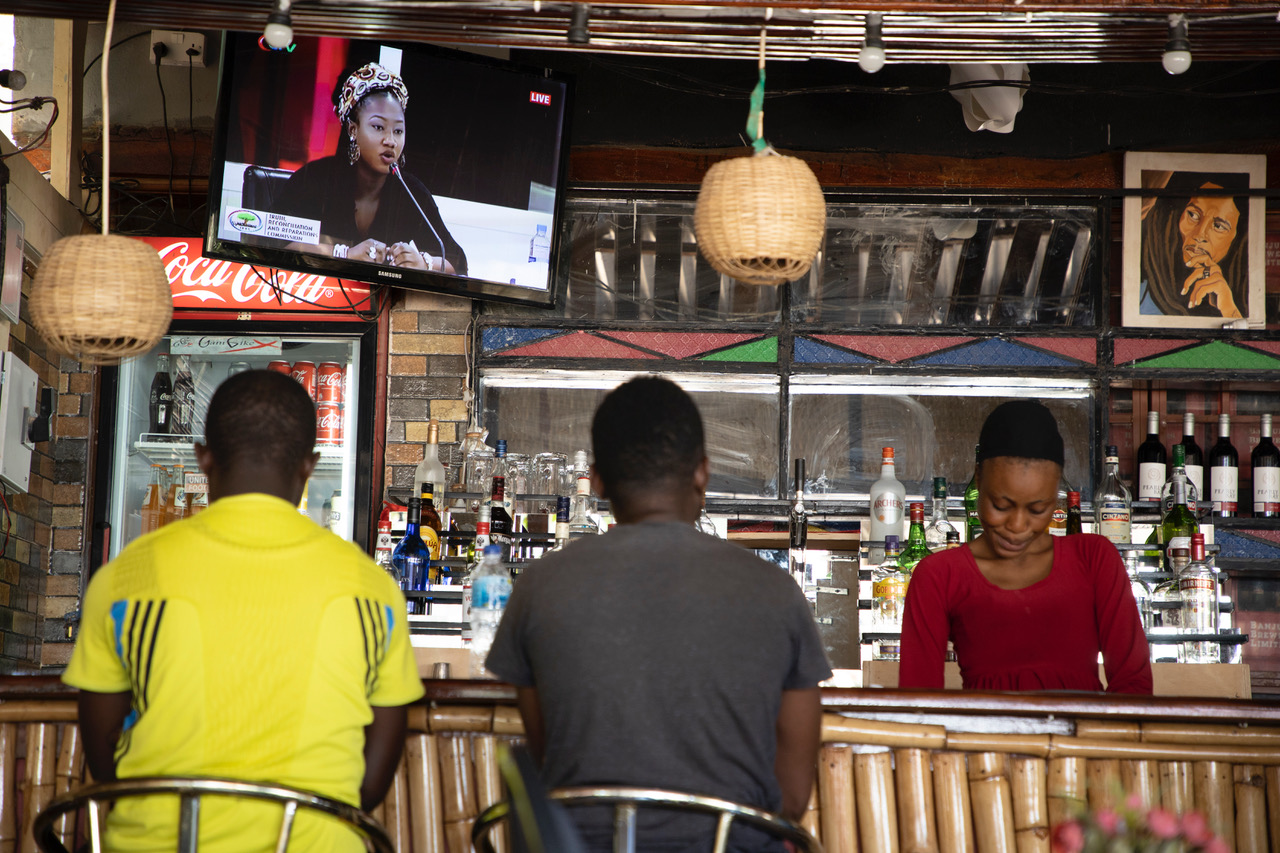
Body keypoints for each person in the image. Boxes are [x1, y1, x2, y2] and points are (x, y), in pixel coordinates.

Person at [63, 370, 424, 852]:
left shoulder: (125, 578)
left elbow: (104, 757)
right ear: (309, 467)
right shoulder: (373, 591)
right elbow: (371, 782)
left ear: (204, 459)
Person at [485, 376, 832, 852]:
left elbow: (551, 756)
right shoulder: (777, 592)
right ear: (702, 473)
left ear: (599, 479)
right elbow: (792, 797)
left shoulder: (538, 587)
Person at [899, 399, 1152, 694]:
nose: (1018, 526)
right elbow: (918, 700)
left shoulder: (1094, 558)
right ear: (978, 479)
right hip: (982, 739)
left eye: (1037, 509)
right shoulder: (939, 575)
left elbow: (1133, 686)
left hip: (1085, 738)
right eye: (1001, 505)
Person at [273, 62, 468, 275]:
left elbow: (457, 262)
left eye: (398, 131)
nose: (390, 141)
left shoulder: (411, 191)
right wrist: (344, 255)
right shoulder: (314, 180)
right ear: (353, 129)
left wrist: (424, 263)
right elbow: (274, 248)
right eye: (378, 127)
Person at [1139, 170, 1250, 319]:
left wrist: (1229, 310)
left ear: (1236, 238)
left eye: (1218, 226)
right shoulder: (1140, 294)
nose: (1199, 235)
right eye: (1193, 215)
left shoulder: (1239, 300)